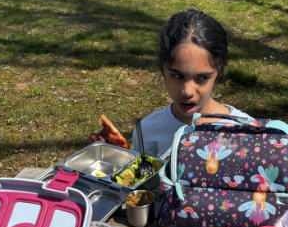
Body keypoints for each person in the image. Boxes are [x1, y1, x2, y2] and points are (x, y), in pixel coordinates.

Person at [97, 10, 251, 158]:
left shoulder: (249, 133)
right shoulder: (147, 131)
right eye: (178, 76)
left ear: (219, 73)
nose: (188, 91)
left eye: (202, 78)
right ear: (163, 69)